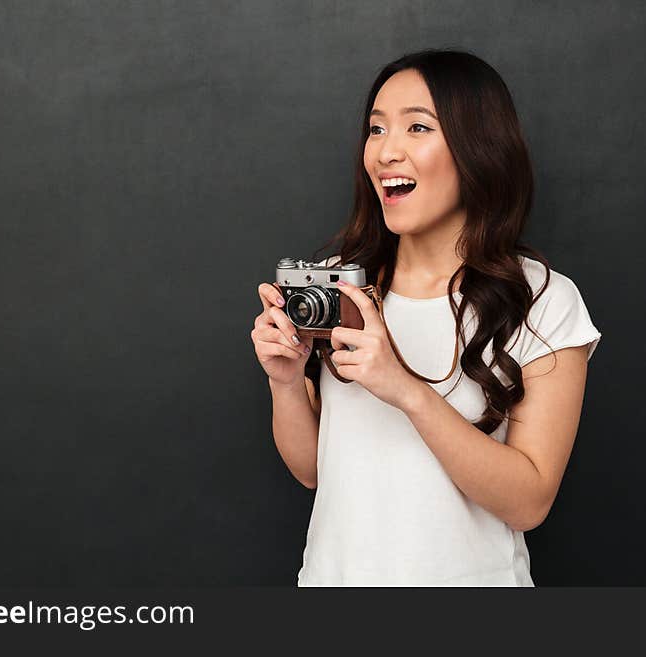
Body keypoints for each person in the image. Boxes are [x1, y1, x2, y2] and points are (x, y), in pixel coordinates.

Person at [250, 49, 602, 586]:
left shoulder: (544, 300)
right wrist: (285, 384)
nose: (386, 152)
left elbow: (529, 502)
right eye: (376, 129)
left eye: (418, 127)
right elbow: (313, 471)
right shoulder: (339, 286)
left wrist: (405, 389)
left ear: (478, 148)